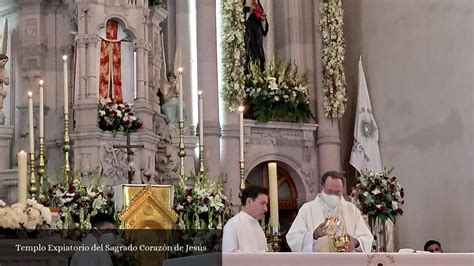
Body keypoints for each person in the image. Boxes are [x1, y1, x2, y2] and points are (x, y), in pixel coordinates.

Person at [286, 171, 373, 252]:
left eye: (337, 192)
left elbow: (366, 238)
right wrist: (313, 236)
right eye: (330, 191)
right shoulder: (307, 209)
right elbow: (293, 238)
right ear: (322, 188)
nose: (333, 195)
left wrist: (356, 242)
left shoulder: (351, 209)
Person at [222, 185, 269, 252]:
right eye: (262, 203)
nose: (265, 209)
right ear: (249, 201)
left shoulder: (258, 226)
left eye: (266, 204)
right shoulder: (233, 224)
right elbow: (229, 256)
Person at [243, 0, 269, 72]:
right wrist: (249, 12)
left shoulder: (259, 6)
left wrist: (263, 20)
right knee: (249, 58)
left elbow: (264, 31)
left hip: (258, 41)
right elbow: (241, 24)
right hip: (249, 40)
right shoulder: (244, 6)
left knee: (260, 60)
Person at [0, 54, 9, 125]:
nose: (4, 63)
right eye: (3, 61)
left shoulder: (4, 70)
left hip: (0, 88)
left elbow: (7, 82)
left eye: (5, 62)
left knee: (0, 104)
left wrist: (2, 78)